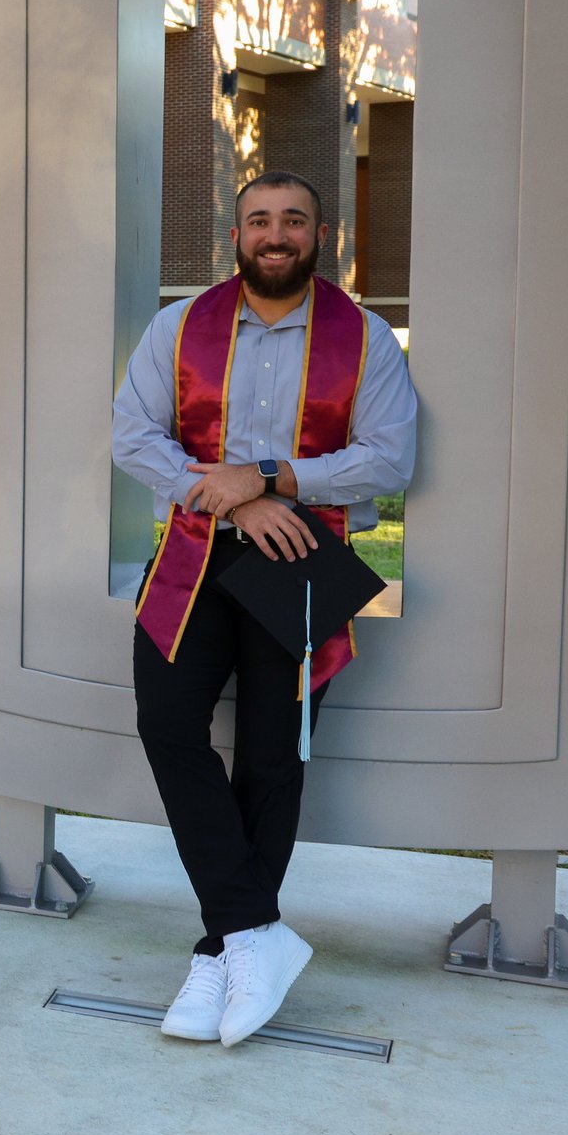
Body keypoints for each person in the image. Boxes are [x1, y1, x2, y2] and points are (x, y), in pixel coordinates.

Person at [110, 170, 417, 1047]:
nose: (274, 234)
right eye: (258, 220)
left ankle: (221, 952)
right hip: (192, 557)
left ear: (323, 233)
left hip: (303, 560)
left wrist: (275, 479)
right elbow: (136, 434)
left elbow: (388, 458)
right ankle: (254, 931)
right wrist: (233, 499)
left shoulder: (365, 339)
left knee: (274, 756)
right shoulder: (178, 328)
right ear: (234, 233)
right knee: (169, 722)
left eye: (293, 220)